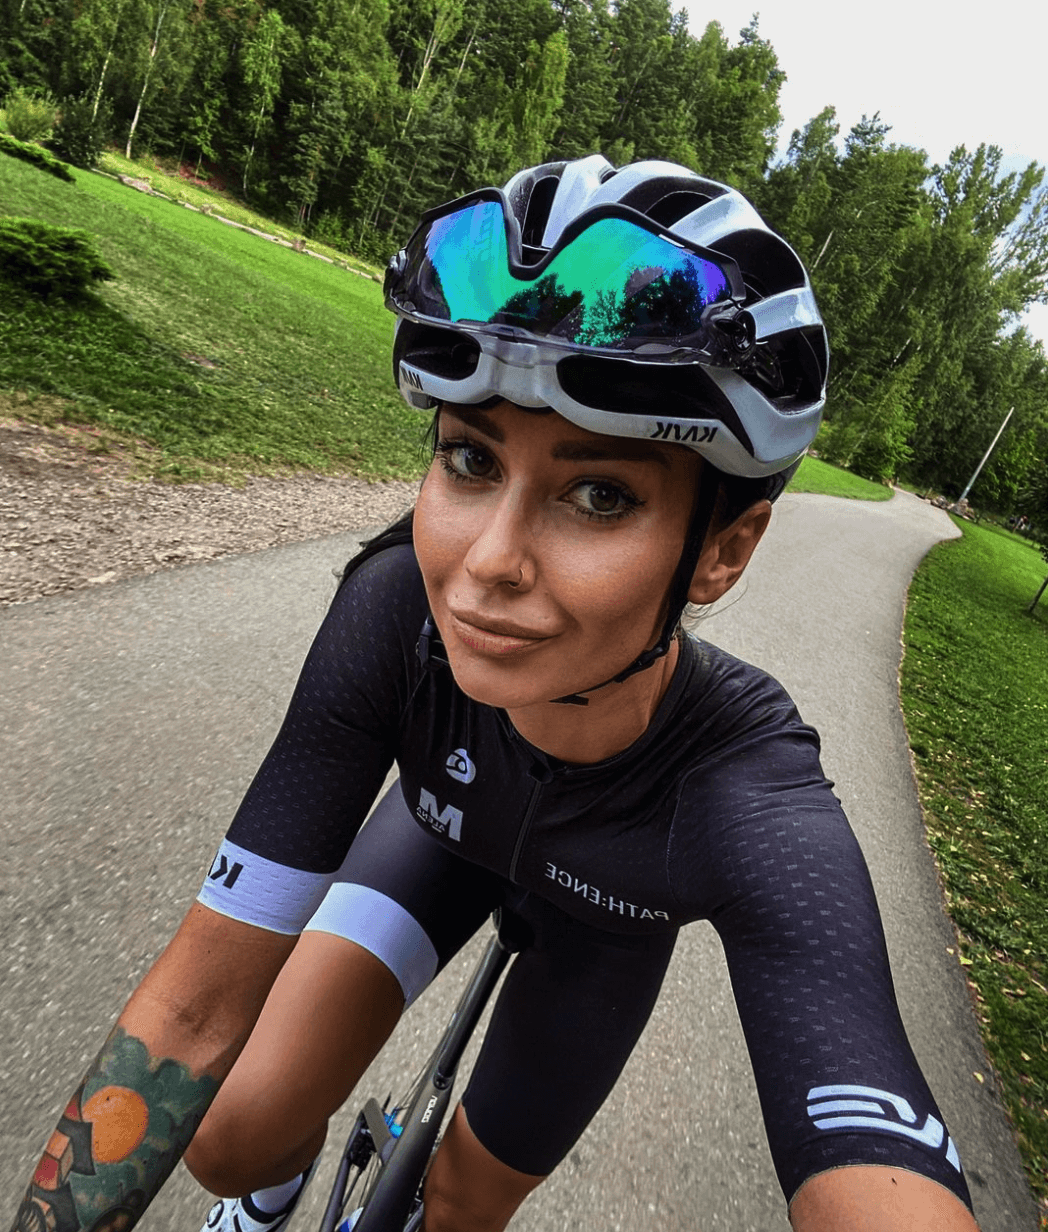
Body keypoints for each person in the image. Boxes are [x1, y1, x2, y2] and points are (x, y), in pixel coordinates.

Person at [12, 155, 980, 1232]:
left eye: (598, 492)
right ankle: (279, 1191)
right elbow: (192, 1011)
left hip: (600, 933)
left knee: (464, 1206)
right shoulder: (393, 612)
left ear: (722, 549)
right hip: (437, 841)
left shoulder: (752, 794)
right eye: (469, 460)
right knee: (233, 1133)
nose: (485, 564)